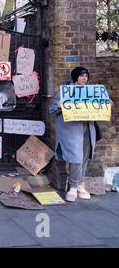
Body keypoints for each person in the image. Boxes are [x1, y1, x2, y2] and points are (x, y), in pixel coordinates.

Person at [48, 67, 96, 202]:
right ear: (75, 77)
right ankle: (73, 187)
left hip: (87, 127)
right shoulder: (65, 92)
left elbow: (98, 106)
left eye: (86, 76)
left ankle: (80, 184)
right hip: (72, 129)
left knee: (85, 157)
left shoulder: (92, 92)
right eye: (81, 76)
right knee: (76, 157)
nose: (84, 78)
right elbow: (50, 110)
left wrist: (105, 103)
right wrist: (58, 106)